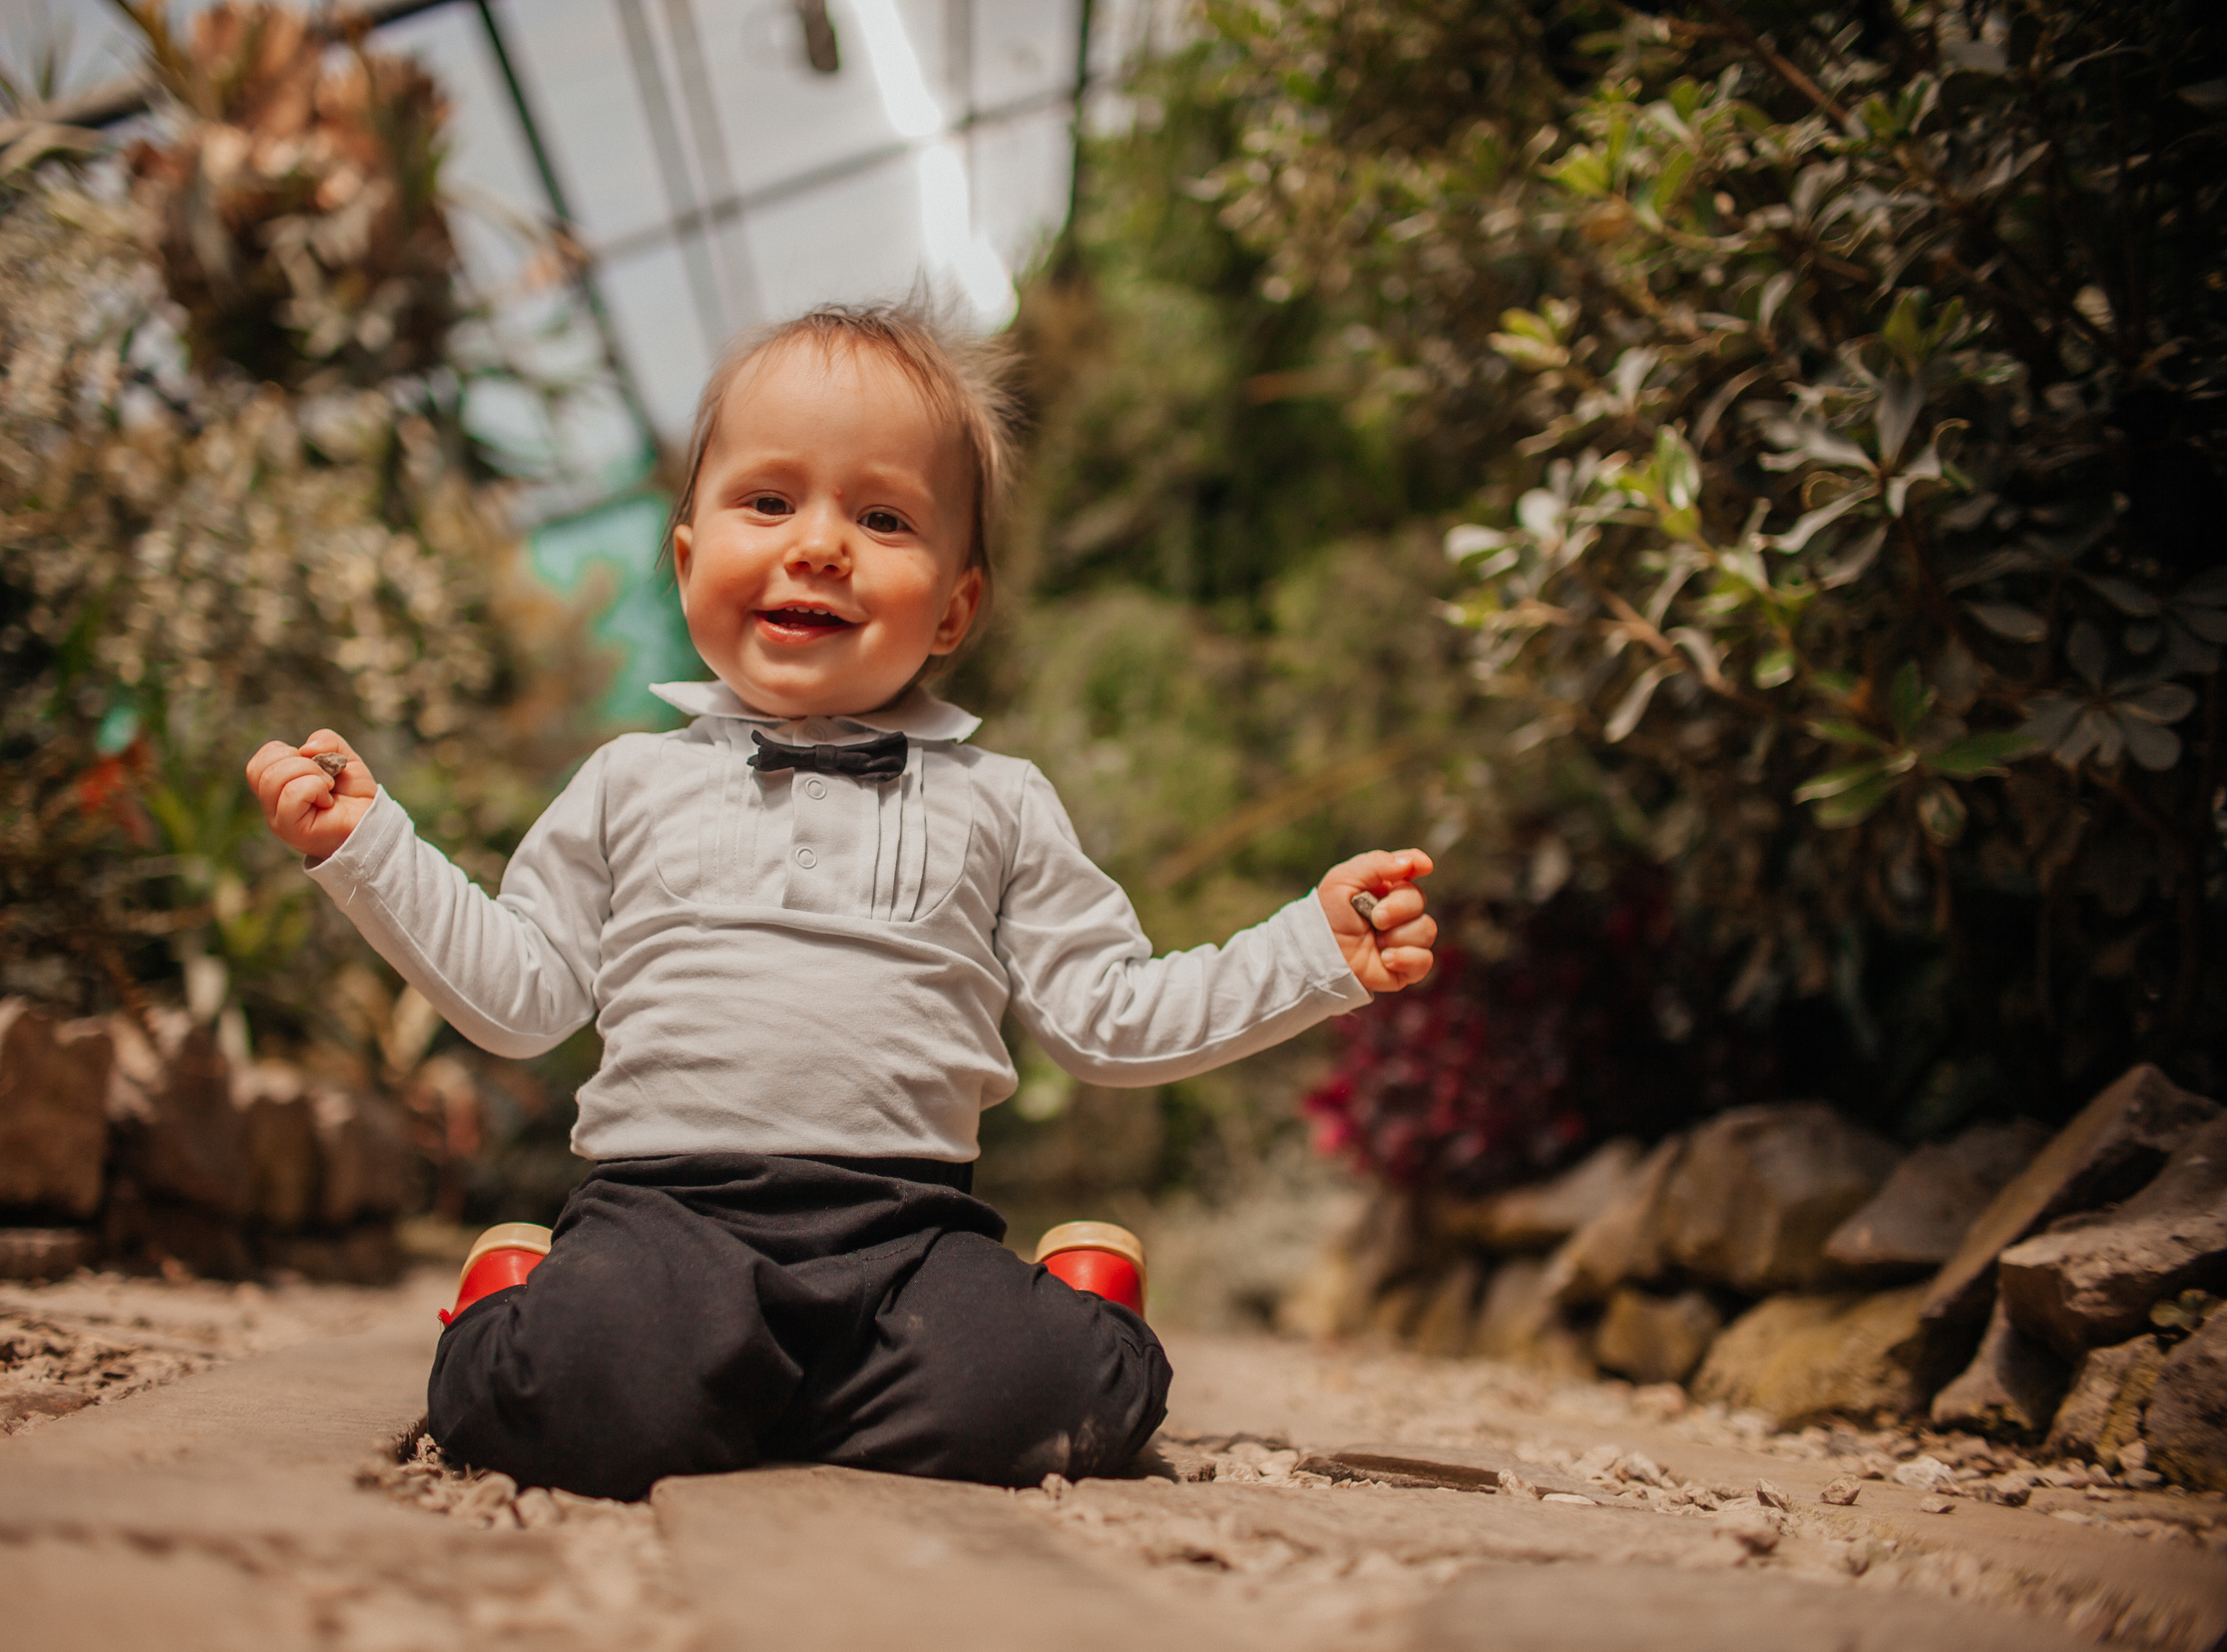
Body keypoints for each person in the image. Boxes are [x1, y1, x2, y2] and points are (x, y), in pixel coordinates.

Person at [244, 298, 1439, 1501]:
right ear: (686, 559)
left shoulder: (999, 800)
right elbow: (520, 999)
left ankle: (1076, 1304)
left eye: (882, 518)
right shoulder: (626, 781)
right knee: (562, 1401)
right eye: (769, 502)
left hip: (908, 1236)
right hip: (665, 1217)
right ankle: (519, 1290)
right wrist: (369, 846)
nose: (819, 545)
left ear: (954, 607)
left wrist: (1308, 952)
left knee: (1051, 1401)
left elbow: (1109, 1020)